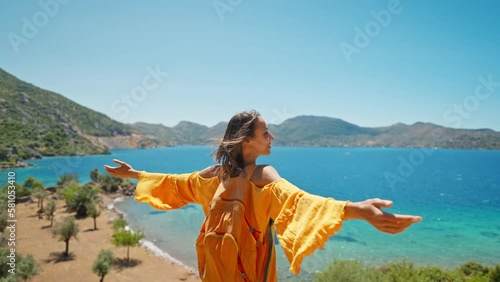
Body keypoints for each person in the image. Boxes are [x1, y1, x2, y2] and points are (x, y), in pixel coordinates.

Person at [104, 110, 422, 282]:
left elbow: (174, 184)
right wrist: (358, 210)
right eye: (266, 132)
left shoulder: (214, 175)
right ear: (247, 141)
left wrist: (134, 175)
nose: (272, 137)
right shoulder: (262, 175)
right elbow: (298, 201)